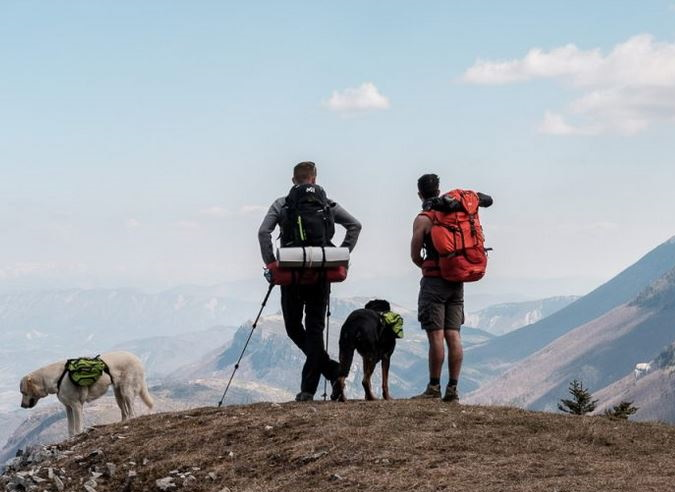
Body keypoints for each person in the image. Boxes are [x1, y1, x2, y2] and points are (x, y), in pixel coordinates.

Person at [258, 161, 362, 401]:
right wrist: (341, 255)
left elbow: (263, 232)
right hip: (321, 273)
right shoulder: (326, 204)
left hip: (291, 274)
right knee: (315, 330)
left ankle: (319, 382)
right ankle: (321, 379)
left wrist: (272, 262)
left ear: (293, 180)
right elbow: (355, 225)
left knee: (294, 328)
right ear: (314, 179)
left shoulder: (282, 203)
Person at [410, 173, 492, 402]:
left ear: (420, 193)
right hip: (457, 278)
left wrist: (428, 266)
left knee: (435, 336)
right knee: (453, 334)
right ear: (439, 191)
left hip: (434, 282)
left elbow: (415, 255)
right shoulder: (456, 213)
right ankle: (453, 390)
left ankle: (433, 387)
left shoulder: (424, 219)